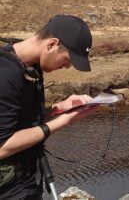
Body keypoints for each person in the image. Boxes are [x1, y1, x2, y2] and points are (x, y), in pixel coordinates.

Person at [0, 14, 99, 199]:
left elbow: (20, 121)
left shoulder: (30, 67)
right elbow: (3, 145)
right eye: (68, 60)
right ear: (51, 44)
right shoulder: (5, 74)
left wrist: (59, 108)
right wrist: (62, 122)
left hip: (26, 184)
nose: (67, 67)